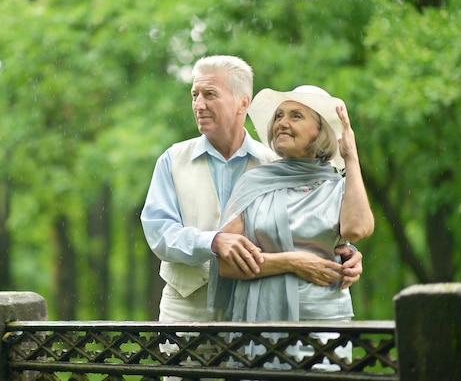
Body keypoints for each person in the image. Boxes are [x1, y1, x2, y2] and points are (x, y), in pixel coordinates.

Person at [141, 56, 364, 325]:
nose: (198, 105)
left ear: (242, 103)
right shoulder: (173, 159)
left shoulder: (276, 163)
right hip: (187, 312)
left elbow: (302, 223)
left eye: (209, 94)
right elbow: (159, 232)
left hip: (254, 310)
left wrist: (343, 249)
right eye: (194, 95)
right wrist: (213, 241)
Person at [213, 85, 374, 369]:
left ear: (320, 131)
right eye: (278, 116)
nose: (282, 123)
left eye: (296, 115)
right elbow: (227, 265)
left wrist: (351, 157)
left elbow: (357, 230)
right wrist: (291, 262)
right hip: (262, 326)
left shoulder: (338, 187)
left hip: (325, 326)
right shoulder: (253, 184)